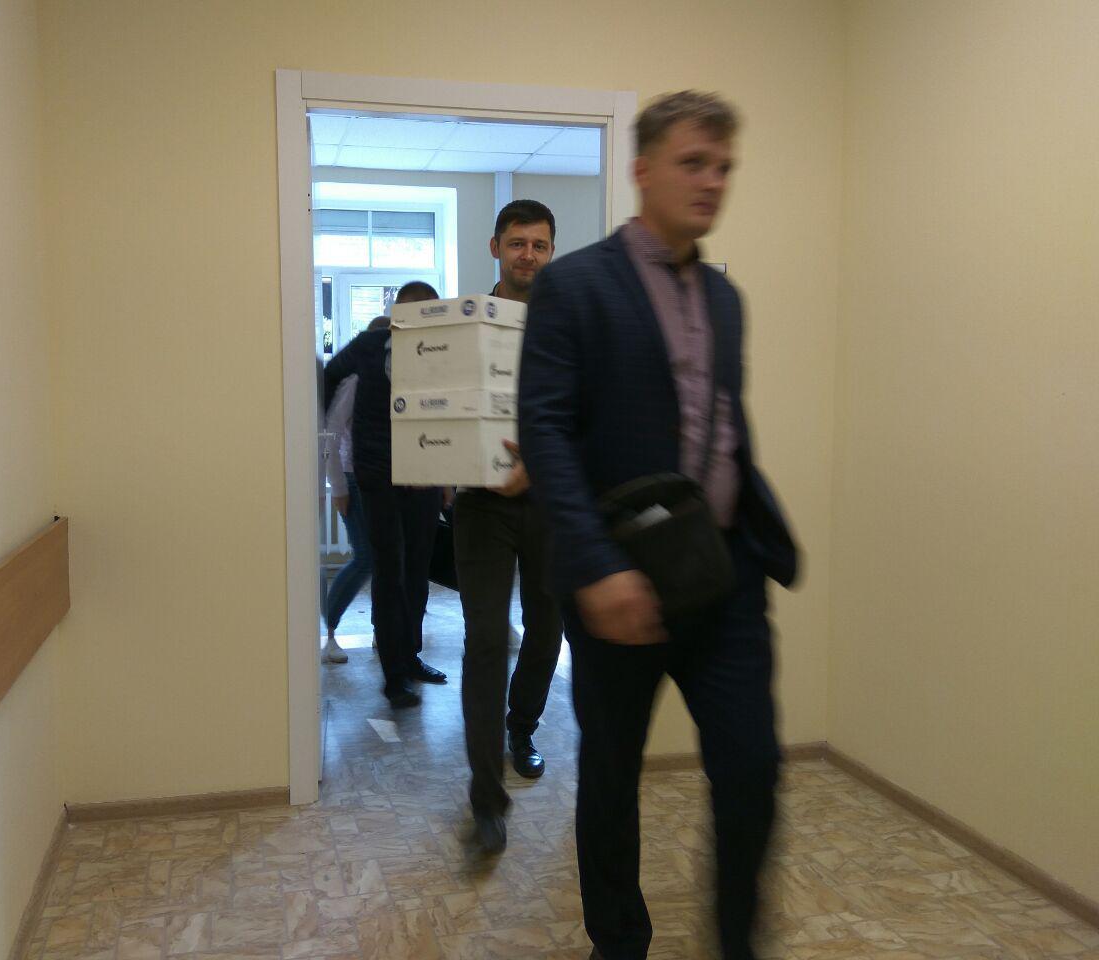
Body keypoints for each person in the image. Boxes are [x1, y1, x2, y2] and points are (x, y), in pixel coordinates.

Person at [518, 92, 799, 960]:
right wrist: (596, 566)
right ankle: (619, 945)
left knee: (752, 767)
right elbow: (545, 429)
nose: (712, 181)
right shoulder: (574, 285)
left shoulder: (725, 298)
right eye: (693, 163)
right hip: (621, 582)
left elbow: (721, 422)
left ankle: (736, 944)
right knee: (611, 774)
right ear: (642, 169)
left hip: (725, 574)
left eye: (724, 167)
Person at [455, 200, 564, 855]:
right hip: (481, 505)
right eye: (517, 242)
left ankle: (521, 725)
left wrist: (539, 466)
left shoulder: (569, 324)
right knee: (487, 639)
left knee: (548, 627)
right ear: (495, 247)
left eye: (539, 245)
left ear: (552, 252)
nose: (528, 254)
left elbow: (584, 416)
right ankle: (486, 799)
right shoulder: (465, 326)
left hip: (548, 502)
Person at [323, 284, 447, 709]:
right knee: (389, 574)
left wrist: (444, 475)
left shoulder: (441, 351)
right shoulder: (369, 346)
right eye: (410, 316)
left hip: (424, 478)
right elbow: (329, 376)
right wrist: (349, 466)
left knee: (417, 572)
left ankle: (410, 658)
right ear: (395, 317)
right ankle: (394, 676)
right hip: (379, 479)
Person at [320, 317, 392, 663]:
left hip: (381, 478)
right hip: (354, 478)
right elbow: (331, 435)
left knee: (385, 560)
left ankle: (384, 631)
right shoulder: (355, 380)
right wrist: (338, 487)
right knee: (366, 559)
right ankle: (329, 633)